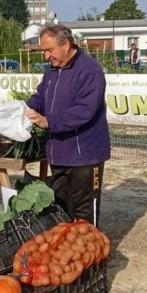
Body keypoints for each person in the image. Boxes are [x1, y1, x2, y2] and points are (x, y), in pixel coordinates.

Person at [25, 24, 111, 226]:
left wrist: (48, 121)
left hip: (85, 157)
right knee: (61, 212)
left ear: (66, 44)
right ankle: (67, 256)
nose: (46, 56)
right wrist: (24, 108)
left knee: (84, 214)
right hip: (59, 155)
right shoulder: (52, 72)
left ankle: (92, 257)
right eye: (44, 51)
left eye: (49, 50)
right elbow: (41, 97)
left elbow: (84, 110)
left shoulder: (90, 70)